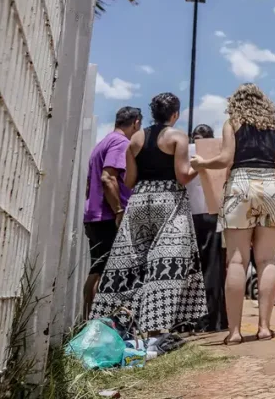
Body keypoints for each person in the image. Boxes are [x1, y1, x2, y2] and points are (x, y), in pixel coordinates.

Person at [91, 94, 206, 337]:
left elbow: (130, 181)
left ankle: (119, 324)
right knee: (165, 264)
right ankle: (155, 330)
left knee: (134, 263)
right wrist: (200, 165)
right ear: (174, 115)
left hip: (140, 201)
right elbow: (183, 176)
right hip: (170, 201)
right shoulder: (177, 137)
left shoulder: (136, 138)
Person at [191, 83, 275, 345]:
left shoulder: (232, 123)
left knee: (237, 261)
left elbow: (225, 159)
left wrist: (203, 163)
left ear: (236, 101)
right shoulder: (274, 128)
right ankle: (264, 328)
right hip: (270, 186)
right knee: (267, 260)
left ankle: (235, 332)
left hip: (241, 184)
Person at [82, 106, 142, 318]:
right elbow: (108, 177)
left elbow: (90, 185)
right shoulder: (121, 143)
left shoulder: (102, 143)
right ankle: (100, 324)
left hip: (94, 215)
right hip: (108, 217)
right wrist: (118, 210)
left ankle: (89, 322)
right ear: (136, 123)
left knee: (97, 269)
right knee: (106, 272)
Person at [188, 124, 228, 332]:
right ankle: (215, 319)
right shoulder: (218, 153)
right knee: (213, 268)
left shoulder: (186, 152)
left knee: (193, 270)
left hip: (190, 215)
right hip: (212, 214)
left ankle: (195, 321)